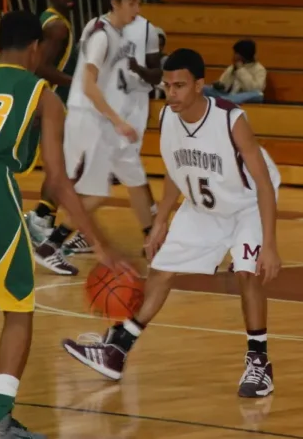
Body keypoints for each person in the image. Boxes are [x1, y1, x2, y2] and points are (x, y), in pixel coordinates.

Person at [0, 10, 130, 438]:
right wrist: (100, 245)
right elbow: (56, 179)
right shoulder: (43, 94)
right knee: (18, 306)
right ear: (36, 49)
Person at [61, 48, 283, 398]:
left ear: (199, 85)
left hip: (247, 205)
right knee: (161, 270)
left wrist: (268, 244)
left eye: (179, 85)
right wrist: (160, 221)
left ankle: (259, 364)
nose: (172, 93)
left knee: (247, 272)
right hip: (203, 207)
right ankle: (118, 349)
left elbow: (265, 184)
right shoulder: (166, 117)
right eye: (167, 86)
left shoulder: (231, 120)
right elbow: (176, 170)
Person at [32, 0, 154, 274]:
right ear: (115, 3)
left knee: (133, 178)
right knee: (93, 189)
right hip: (90, 120)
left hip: (105, 119)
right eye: (131, 3)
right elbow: (88, 85)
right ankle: (49, 242)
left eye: (138, 3)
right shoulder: (101, 35)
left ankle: (153, 241)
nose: (136, 10)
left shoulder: (122, 33)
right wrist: (118, 121)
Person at [52, 13, 163, 257]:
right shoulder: (101, 35)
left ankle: (150, 238)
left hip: (119, 121)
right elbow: (91, 80)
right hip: (103, 122)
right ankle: (54, 239)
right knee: (100, 188)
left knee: (120, 183)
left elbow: (155, 75)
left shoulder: (139, 39)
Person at [22, 0, 78, 262]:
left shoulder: (48, 19)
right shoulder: (58, 28)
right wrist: (77, 82)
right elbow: (40, 67)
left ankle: (43, 215)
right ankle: (41, 218)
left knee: (62, 165)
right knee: (62, 166)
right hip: (48, 99)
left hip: (42, 97)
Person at [203, 39, 267, 104]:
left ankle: (223, 101)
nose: (234, 55)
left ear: (243, 55)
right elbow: (225, 87)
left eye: (236, 53)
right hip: (227, 96)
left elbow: (254, 89)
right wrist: (219, 86)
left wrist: (241, 69)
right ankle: (224, 101)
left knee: (258, 94)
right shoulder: (232, 67)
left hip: (243, 96)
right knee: (203, 88)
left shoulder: (259, 69)